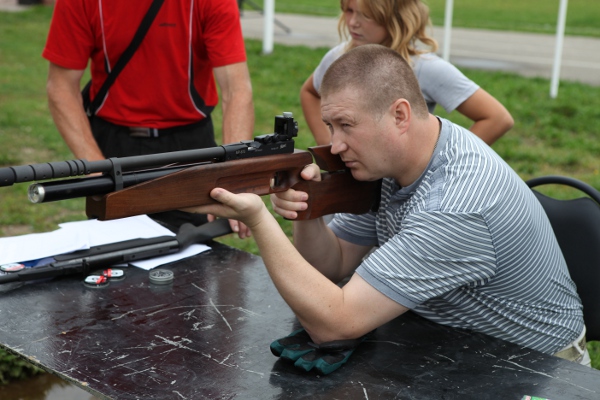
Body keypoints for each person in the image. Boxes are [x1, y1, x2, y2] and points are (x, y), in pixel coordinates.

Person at [191, 44, 590, 368]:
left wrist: (259, 220)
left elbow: (335, 324)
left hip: (538, 370)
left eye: (347, 125)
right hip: (453, 346)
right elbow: (333, 264)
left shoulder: (457, 205)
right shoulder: (400, 158)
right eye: (330, 126)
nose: (335, 145)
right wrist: (306, 211)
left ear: (400, 114)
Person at [42, 0, 254, 237]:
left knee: (194, 251)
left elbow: (236, 90)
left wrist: (233, 175)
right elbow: (61, 87)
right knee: (112, 249)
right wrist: (95, 167)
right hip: (113, 147)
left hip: (189, 148)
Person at [300, 0, 513, 147]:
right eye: (349, 10)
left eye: (366, 15)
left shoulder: (424, 67)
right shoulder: (338, 57)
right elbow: (309, 92)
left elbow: (497, 118)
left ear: (395, 17)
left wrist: (443, 165)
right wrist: (328, 145)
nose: (353, 22)